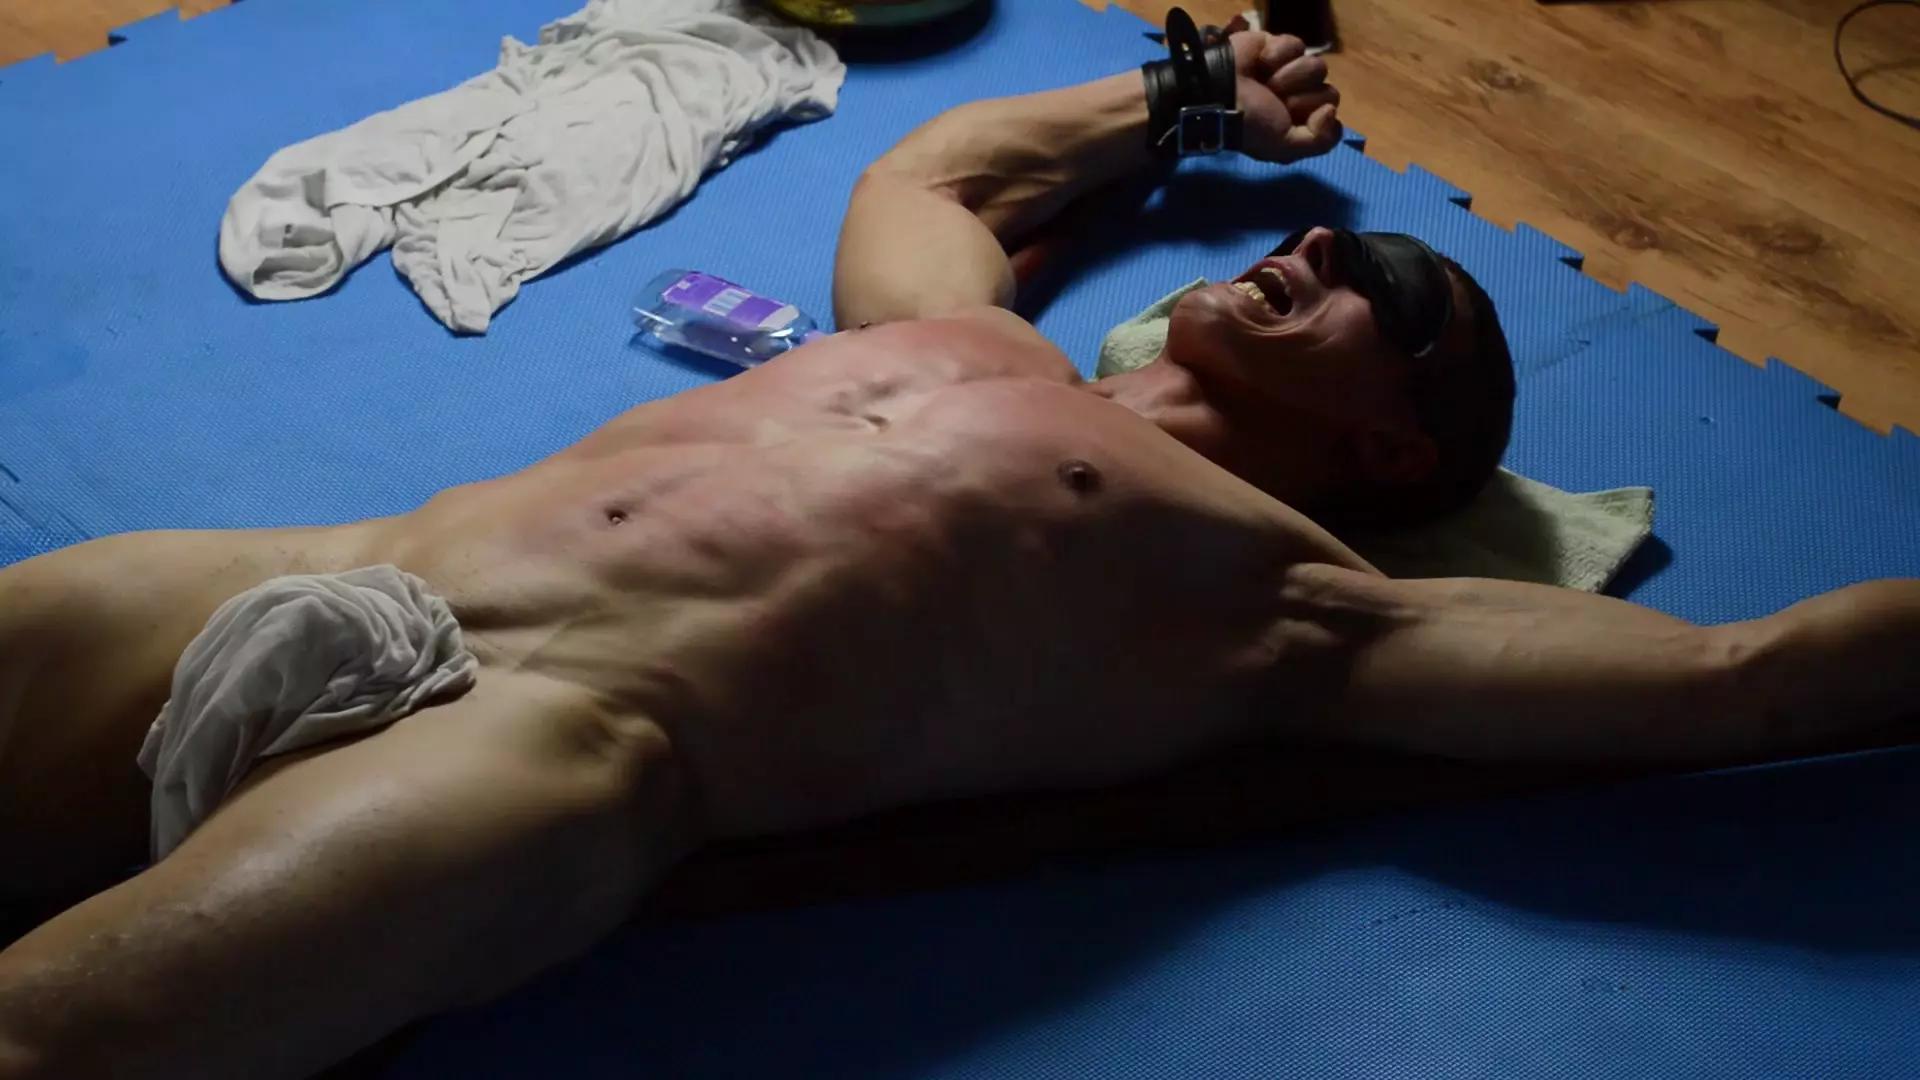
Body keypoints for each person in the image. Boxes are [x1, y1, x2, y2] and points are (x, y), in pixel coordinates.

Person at [0, 26, 1915, 1080]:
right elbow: (936, 169)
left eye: (1385, 287)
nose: (1326, 243)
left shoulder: (1297, 608)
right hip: (336, 559)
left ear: (1392, 448)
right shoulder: (964, 333)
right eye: (1333, 236)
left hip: (558, 743)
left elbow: (1737, 682)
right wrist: (1187, 96)